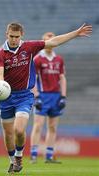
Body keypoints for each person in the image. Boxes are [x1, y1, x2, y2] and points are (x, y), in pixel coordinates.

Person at [0, 22, 92, 173]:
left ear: (22, 35)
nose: (14, 39)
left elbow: (54, 42)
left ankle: (19, 157)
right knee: (8, 134)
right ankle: (12, 161)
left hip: (24, 96)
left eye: (17, 37)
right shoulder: (0, 53)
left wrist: (75, 33)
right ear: (7, 34)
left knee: (19, 130)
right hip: (6, 97)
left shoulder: (29, 47)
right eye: (11, 36)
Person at [30, 32, 66, 163]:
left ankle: (49, 156)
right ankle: (33, 155)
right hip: (42, 95)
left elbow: (62, 78)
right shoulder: (37, 59)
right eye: (47, 39)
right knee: (38, 125)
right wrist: (36, 96)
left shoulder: (59, 59)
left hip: (56, 96)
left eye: (52, 38)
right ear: (43, 41)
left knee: (52, 127)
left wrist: (63, 96)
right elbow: (33, 79)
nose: (50, 41)